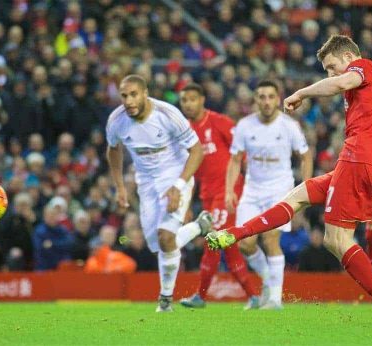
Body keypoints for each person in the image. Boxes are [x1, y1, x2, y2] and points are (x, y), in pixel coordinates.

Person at [206, 35, 372, 323]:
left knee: (336, 239)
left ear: (350, 58)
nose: (330, 74)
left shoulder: (364, 68)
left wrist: (302, 92)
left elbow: (341, 83)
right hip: (370, 166)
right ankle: (234, 234)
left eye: (331, 66)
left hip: (359, 160)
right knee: (300, 194)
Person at [106, 74, 213, 312]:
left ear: (145, 93)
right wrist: (120, 187)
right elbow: (113, 150)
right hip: (146, 183)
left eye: (133, 94)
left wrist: (179, 185)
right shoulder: (116, 120)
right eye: (124, 96)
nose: (129, 101)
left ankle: (165, 300)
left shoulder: (167, 115)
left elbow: (196, 151)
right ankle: (198, 227)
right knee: (158, 243)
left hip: (175, 175)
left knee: (166, 237)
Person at [225, 79, 313, 309]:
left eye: (270, 97)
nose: (266, 101)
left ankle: (274, 299)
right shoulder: (245, 125)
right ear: (255, 100)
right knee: (244, 243)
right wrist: (229, 191)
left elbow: (305, 155)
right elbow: (235, 160)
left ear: (277, 98)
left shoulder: (289, 126)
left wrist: (305, 188)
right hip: (252, 191)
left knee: (271, 238)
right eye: (261, 97)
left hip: (279, 189)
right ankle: (268, 281)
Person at [177, 83, 260, 310]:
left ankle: (200, 297)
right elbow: (188, 170)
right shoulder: (184, 131)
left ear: (202, 99)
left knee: (213, 241)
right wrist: (186, 205)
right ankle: (254, 296)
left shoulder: (219, 122)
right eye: (184, 100)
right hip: (207, 195)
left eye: (192, 99)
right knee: (229, 246)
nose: (188, 104)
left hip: (226, 193)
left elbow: (241, 153)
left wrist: (240, 187)